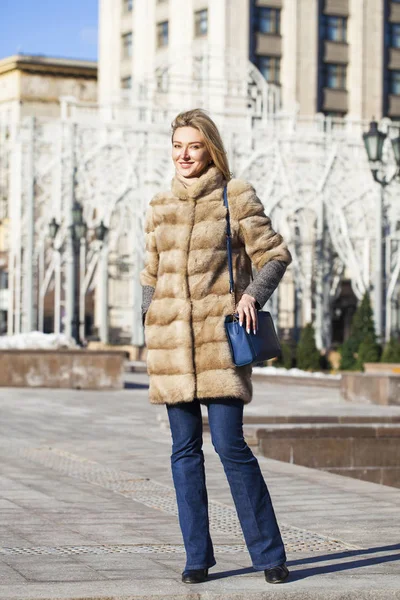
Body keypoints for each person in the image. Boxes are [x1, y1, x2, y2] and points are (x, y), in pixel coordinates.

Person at [140, 108, 292, 585]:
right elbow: (150, 274)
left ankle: (269, 555)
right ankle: (196, 558)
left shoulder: (235, 195)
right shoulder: (160, 204)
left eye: (194, 146)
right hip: (170, 348)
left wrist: (251, 295)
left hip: (217, 343)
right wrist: (152, 318)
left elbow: (275, 254)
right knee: (183, 451)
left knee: (229, 445)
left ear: (210, 149)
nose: (184, 155)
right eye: (178, 145)